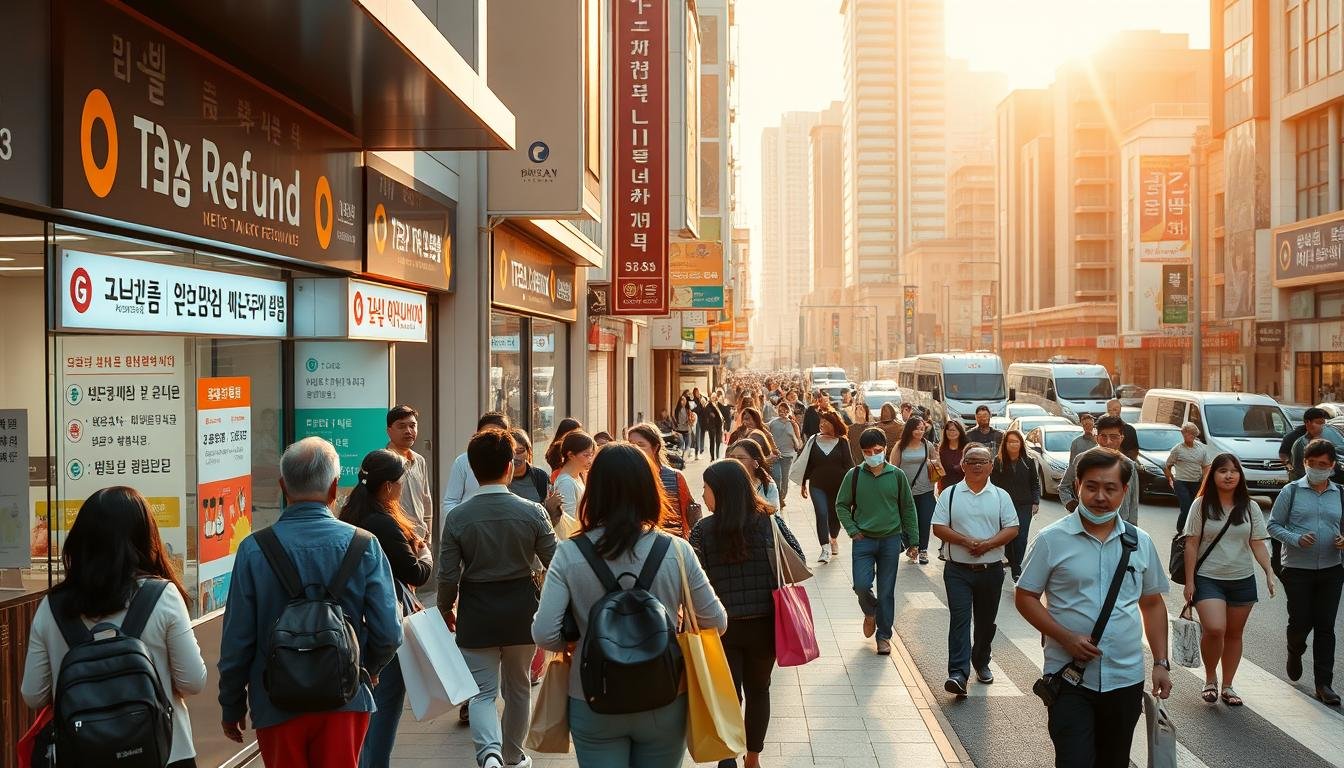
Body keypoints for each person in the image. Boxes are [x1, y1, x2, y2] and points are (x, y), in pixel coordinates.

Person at [532, 443, 727, 767]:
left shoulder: (569, 553)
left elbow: (543, 632)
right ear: (649, 488)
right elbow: (717, 621)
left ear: (594, 491)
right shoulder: (676, 551)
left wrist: (579, 644)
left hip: (592, 696)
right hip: (664, 694)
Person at [219, 437, 401, 768]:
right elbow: (389, 630)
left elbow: (237, 640)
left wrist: (231, 704)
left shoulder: (254, 549)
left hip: (275, 701)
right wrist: (367, 669)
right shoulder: (364, 545)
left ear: (282, 486)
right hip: (345, 700)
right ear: (334, 489)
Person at [22, 487, 206, 768]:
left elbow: (33, 693)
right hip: (165, 753)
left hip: (81, 755)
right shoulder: (162, 596)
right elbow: (193, 680)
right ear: (145, 537)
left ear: (80, 541)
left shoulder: (52, 607)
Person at [1015, 449, 1172, 767]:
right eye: (1091, 487)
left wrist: (1161, 662)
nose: (1100, 496)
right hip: (1070, 677)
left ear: (1124, 491)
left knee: (1114, 761)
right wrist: (1065, 636)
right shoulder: (1051, 540)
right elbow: (1025, 597)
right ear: (1077, 486)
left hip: (1125, 679)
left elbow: (1152, 603)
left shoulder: (1140, 542)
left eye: (1110, 488)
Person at [439, 428, 558, 768]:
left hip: (476, 609)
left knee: (482, 692)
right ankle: (512, 755)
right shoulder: (534, 512)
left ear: (472, 470)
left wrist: (446, 608)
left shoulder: (458, 518)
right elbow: (557, 561)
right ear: (510, 466)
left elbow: (447, 575)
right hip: (523, 607)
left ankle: (488, 754)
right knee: (519, 688)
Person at [690, 459, 805, 768]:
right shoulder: (769, 521)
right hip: (765, 623)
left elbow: (691, 578)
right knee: (759, 690)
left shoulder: (703, 530)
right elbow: (798, 560)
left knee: (727, 694)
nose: (703, 495)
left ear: (722, 491)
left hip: (721, 628)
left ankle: (727, 757)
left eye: (706, 489)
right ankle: (753, 757)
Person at [338, 450, 434, 768]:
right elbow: (415, 573)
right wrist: (425, 553)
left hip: (349, 628)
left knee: (360, 717)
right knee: (383, 713)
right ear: (389, 486)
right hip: (382, 628)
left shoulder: (347, 516)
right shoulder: (383, 522)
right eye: (400, 483)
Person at [1181, 453, 1275, 708]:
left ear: (1240, 475)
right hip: (1208, 578)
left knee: (1234, 634)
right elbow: (1191, 544)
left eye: (1234, 471)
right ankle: (1210, 678)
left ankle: (1227, 685)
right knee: (1215, 628)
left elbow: (1257, 542)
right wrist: (1189, 582)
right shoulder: (1200, 505)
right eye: (1223, 471)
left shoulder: (1251, 507)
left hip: (1242, 579)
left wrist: (1268, 571)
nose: (1229, 475)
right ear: (1213, 475)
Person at [932, 445, 1019, 695]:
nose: (977, 465)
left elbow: (1012, 528)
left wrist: (988, 544)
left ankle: (981, 660)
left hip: (991, 570)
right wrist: (966, 541)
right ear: (963, 465)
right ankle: (958, 673)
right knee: (960, 619)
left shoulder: (1001, 496)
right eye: (971, 461)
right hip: (957, 570)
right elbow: (938, 527)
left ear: (991, 466)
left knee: (985, 622)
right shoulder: (949, 494)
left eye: (983, 461)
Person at [1267, 438, 1344, 706]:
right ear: (1305, 463)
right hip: (1297, 570)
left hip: (1333, 570)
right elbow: (1273, 526)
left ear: (1333, 466)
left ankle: (1324, 684)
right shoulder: (1292, 491)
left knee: (1325, 626)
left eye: (1323, 465)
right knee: (1301, 621)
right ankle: (1295, 649)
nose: (1318, 469)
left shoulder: (1340, 494)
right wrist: (1295, 539)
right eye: (1313, 464)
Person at [835, 428, 920, 655]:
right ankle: (870, 611)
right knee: (861, 585)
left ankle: (884, 636)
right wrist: (852, 530)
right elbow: (841, 505)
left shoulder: (897, 476)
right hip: (863, 540)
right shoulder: (853, 475)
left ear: (885, 449)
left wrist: (914, 541)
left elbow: (908, 509)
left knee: (886, 592)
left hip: (890, 540)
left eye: (877, 450)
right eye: (867, 451)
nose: (873, 454)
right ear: (861, 452)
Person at [1059, 416, 1141, 525]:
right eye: (1103, 436)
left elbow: (1133, 503)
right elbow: (1064, 487)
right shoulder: (1082, 459)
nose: (1108, 442)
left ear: (1121, 438)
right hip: (1087, 525)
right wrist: (1071, 504)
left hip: (1119, 526)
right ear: (1097, 438)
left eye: (1114, 437)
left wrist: (1131, 530)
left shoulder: (1129, 465)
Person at [627, 422, 700, 538]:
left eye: (640, 445)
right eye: (630, 444)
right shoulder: (622, 477)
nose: (635, 449)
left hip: (670, 545)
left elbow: (689, 518)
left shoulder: (675, 477)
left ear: (655, 447)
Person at [800, 411, 855, 564]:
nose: (822, 424)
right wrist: (803, 482)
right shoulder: (813, 441)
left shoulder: (843, 442)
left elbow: (849, 466)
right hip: (817, 485)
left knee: (835, 514)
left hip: (839, 486)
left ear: (834, 424)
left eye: (826, 422)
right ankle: (824, 549)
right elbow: (806, 463)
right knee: (821, 513)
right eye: (821, 422)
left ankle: (833, 539)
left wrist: (853, 486)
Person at [887, 417, 941, 565]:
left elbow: (937, 463)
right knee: (908, 521)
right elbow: (894, 467)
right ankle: (912, 546)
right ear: (910, 429)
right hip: (905, 490)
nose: (920, 431)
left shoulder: (927, 445)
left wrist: (936, 460)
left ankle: (923, 550)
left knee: (924, 520)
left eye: (922, 428)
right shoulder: (900, 446)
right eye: (917, 428)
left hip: (926, 490)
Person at [991, 429, 1041, 582]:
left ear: (1021, 443)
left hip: (1024, 505)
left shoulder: (1029, 462)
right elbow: (993, 485)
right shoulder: (998, 462)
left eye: (1016, 441)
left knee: (1020, 536)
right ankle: (1010, 561)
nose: (1013, 444)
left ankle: (1016, 567)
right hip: (1004, 505)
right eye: (1010, 441)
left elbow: (1035, 483)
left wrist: (1035, 501)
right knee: (1007, 537)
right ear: (1005, 444)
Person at [444, 412, 512, 516]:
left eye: (497, 434)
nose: (490, 439)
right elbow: (450, 502)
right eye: (486, 434)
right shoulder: (463, 461)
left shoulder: (511, 460)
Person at [386, 404, 433, 539]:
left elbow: (426, 498)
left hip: (419, 536)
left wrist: (427, 533)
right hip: (396, 535)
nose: (408, 431)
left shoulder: (420, 460)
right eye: (401, 426)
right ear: (389, 431)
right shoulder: (384, 461)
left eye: (412, 426)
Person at [1165, 422, 1212, 532]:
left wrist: (1205, 481)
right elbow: (1167, 466)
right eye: (1186, 434)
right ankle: (1180, 530)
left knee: (1195, 507)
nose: (1189, 436)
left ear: (1195, 435)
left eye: (1192, 434)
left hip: (1196, 482)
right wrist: (1171, 478)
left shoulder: (1201, 449)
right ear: (1183, 434)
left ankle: (1192, 529)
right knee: (1186, 507)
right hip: (1181, 482)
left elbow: (1206, 466)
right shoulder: (1177, 449)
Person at [1288, 407, 1344, 482]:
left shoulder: (1326, 442)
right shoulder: (1300, 444)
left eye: (1323, 423)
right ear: (1307, 422)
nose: (1321, 426)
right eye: (1318, 423)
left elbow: (1335, 464)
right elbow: (1299, 472)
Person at [553, 430, 597, 525]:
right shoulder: (566, 483)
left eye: (591, 454)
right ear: (571, 455)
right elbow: (568, 521)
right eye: (586, 455)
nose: (590, 460)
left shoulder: (579, 476)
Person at [728, 438, 780, 511]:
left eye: (741, 458)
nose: (736, 461)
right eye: (732, 457)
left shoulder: (768, 486)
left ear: (755, 462)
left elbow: (774, 515)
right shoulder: (725, 482)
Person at [767, 402, 803, 507]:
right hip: (776, 455)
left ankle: (782, 497)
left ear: (788, 411)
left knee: (785, 478)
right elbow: (765, 430)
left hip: (788, 456)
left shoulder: (793, 423)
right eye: (780, 410)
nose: (782, 412)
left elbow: (799, 439)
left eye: (784, 410)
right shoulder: (772, 422)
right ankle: (778, 497)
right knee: (777, 477)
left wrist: (795, 442)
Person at [506, 429, 552, 505]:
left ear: (528, 452)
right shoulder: (498, 478)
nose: (515, 457)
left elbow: (549, 508)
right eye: (511, 452)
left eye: (520, 450)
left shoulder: (540, 477)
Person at [938, 420, 969, 492]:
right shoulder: (941, 449)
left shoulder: (967, 448)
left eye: (954, 430)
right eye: (948, 430)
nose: (951, 432)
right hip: (946, 487)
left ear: (960, 431)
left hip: (965, 487)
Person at [702, 392, 726, 461]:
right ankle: (712, 457)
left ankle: (717, 455)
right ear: (710, 398)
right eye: (712, 397)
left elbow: (723, 411)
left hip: (718, 425)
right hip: (712, 426)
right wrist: (710, 414)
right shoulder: (708, 405)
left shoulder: (718, 404)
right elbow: (706, 412)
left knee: (718, 441)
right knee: (712, 441)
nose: (714, 399)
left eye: (715, 397)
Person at [674, 391, 695, 459]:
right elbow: (681, 421)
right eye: (683, 401)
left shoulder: (686, 409)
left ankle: (683, 459)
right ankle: (682, 459)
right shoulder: (679, 410)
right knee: (683, 446)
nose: (685, 402)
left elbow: (689, 418)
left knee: (687, 446)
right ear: (680, 401)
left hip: (686, 430)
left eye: (685, 401)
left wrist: (690, 420)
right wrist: (687, 421)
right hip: (681, 430)